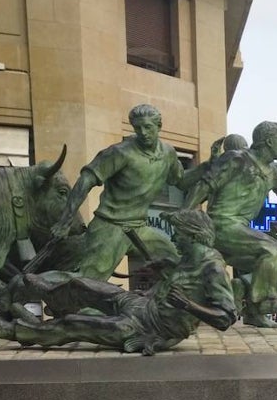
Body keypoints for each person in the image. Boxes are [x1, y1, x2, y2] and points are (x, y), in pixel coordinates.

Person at [0, 209, 236, 355]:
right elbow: (181, 281)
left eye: (178, 234)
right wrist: (166, 268)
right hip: (141, 305)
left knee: (75, 324)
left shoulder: (212, 267)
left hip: (154, 328)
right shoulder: (189, 257)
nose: (174, 239)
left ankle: (20, 332)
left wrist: (188, 306)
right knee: (81, 285)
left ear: (193, 235)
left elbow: (225, 318)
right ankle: (50, 293)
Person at [182, 120, 277, 326]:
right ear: (269, 142)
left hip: (239, 229)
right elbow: (206, 184)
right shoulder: (237, 159)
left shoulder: (272, 172)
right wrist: (186, 211)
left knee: (268, 266)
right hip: (222, 223)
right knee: (274, 250)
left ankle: (253, 312)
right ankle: (267, 302)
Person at [43, 104, 186, 280]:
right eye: (137, 128)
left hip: (139, 227)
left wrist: (211, 168)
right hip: (110, 225)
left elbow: (180, 180)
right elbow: (85, 181)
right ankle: (32, 286)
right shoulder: (120, 153)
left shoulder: (168, 153)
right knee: (88, 280)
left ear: (159, 126)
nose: (143, 133)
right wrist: (65, 222)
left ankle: (166, 304)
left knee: (176, 265)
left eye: (148, 127)